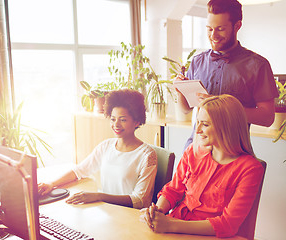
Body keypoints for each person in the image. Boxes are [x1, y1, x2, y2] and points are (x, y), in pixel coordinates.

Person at [140, 94, 264, 238]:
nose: (197, 130)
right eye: (197, 122)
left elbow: (227, 224)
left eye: (205, 124)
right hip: (175, 228)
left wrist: (170, 224)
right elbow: (173, 190)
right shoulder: (192, 151)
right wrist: (158, 211)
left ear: (227, 127)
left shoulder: (250, 169)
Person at [176, 0, 278, 149]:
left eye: (220, 29)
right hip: (195, 151)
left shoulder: (258, 65)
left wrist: (224, 107)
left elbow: (267, 118)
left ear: (237, 26)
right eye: (209, 29)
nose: (213, 35)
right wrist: (180, 91)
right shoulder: (197, 62)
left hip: (233, 156)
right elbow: (186, 109)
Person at [38, 89, 157, 209]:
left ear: (136, 122)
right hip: (107, 212)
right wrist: (51, 184)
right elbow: (78, 171)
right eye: (113, 119)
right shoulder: (106, 147)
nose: (116, 124)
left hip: (130, 218)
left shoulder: (147, 155)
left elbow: (139, 200)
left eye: (123, 120)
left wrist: (99, 196)